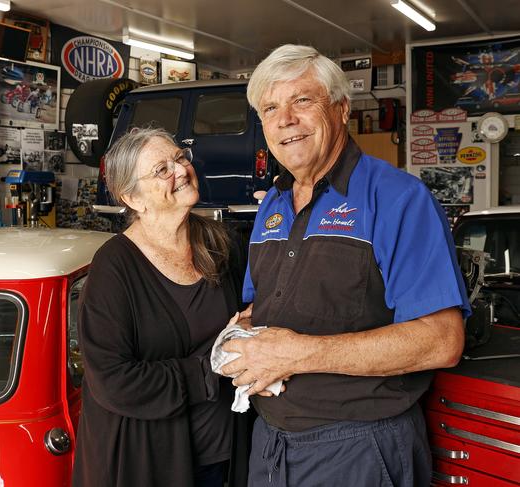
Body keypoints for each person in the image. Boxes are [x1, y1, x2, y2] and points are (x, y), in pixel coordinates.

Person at [219, 45, 471, 486]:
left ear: (340, 109)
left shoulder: (397, 199)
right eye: (270, 108)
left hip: (360, 448)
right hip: (270, 445)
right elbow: (265, 307)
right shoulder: (271, 208)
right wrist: (241, 333)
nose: (285, 119)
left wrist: (297, 353)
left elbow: (441, 340)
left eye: (302, 100)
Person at [72, 127, 249, 487]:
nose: (181, 170)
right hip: (152, 464)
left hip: (224, 454)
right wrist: (208, 371)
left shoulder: (218, 242)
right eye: (161, 169)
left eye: (180, 158)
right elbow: (114, 381)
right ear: (132, 198)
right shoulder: (114, 268)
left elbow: (250, 312)